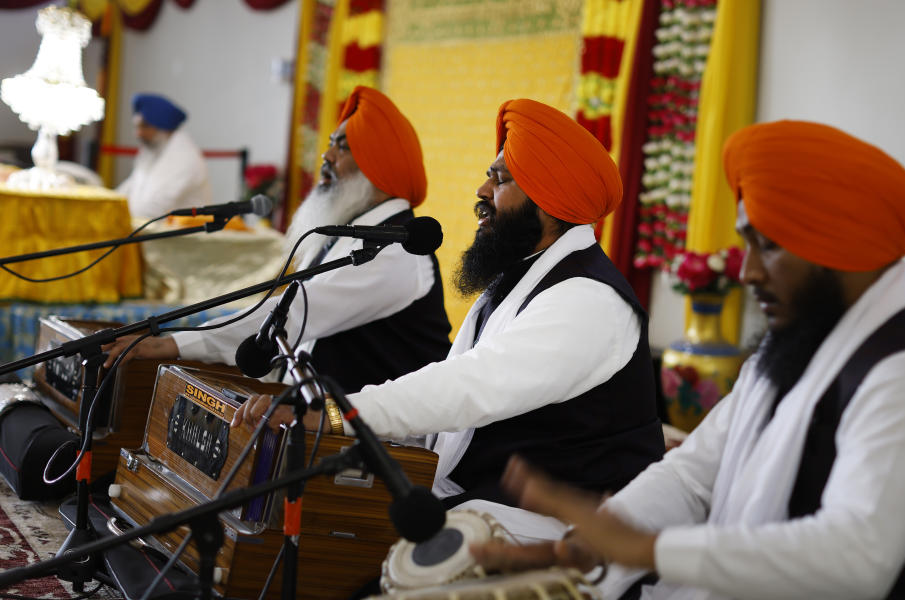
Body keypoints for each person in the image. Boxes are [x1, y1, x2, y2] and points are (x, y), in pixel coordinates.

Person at [470, 120, 905, 600]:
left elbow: (856, 557)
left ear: (837, 249)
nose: (747, 272)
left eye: (766, 246)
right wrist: (590, 542)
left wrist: (648, 549)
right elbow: (694, 474)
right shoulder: (799, 344)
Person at [233, 98, 666, 536]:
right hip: (479, 504)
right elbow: (451, 405)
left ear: (547, 199)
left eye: (499, 179)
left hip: (557, 531)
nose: (482, 192)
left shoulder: (587, 300)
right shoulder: (522, 279)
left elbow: (469, 388)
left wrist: (336, 413)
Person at [105, 87, 452, 394]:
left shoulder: (398, 251)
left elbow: (295, 312)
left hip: (380, 449)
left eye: (343, 148)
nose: (326, 156)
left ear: (380, 165)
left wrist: (173, 344)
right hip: (322, 426)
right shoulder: (353, 233)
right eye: (330, 144)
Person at [116, 93, 213, 219]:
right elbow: (131, 188)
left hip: (179, 237)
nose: (138, 134)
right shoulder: (154, 150)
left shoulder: (183, 157)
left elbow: (153, 208)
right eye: (137, 127)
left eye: (144, 126)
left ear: (163, 127)